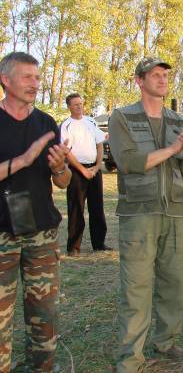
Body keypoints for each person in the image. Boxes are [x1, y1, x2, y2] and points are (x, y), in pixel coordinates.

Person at [109, 57, 183, 373]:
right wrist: (175, 148)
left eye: (165, 75)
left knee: (174, 285)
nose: (162, 80)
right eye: (155, 75)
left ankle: (166, 342)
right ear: (139, 80)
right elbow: (129, 162)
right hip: (140, 213)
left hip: (175, 213)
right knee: (136, 288)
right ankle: (130, 359)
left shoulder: (180, 121)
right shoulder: (122, 117)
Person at [0, 52, 71, 372]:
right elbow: (26, 161)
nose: (35, 83)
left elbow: (63, 182)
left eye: (38, 77)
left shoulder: (45, 123)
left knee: (44, 316)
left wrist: (60, 169)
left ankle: (41, 368)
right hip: (2, 233)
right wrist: (23, 161)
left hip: (41, 233)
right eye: (27, 77)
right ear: (6, 80)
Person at [60, 93, 111, 256]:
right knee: (76, 209)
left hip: (94, 170)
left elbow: (99, 144)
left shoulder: (90, 121)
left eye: (81, 103)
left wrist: (97, 167)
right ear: (69, 107)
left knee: (97, 207)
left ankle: (99, 243)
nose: (79, 106)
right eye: (75, 104)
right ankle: (74, 247)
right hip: (76, 171)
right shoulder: (66, 125)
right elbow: (66, 152)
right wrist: (82, 170)